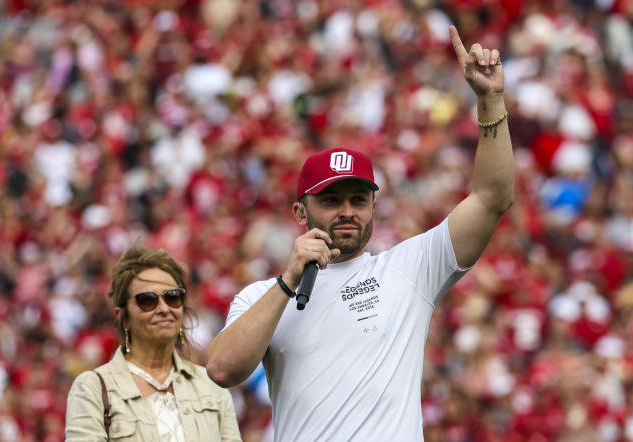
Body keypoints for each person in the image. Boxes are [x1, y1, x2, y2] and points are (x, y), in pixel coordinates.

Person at [205, 25, 514, 441]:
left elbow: (492, 198)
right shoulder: (261, 297)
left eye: (358, 199)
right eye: (331, 201)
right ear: (301, 211)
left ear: (374, 206)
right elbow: (223, 369)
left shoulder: (410, 269)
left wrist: (490, 102)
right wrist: (287, 283)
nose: (347, 212)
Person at [66, 246, 241, 441]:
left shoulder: (211, 386)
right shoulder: (93, 388)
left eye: (173, 297)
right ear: (123, 317)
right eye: (147, 300)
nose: (164, 308)